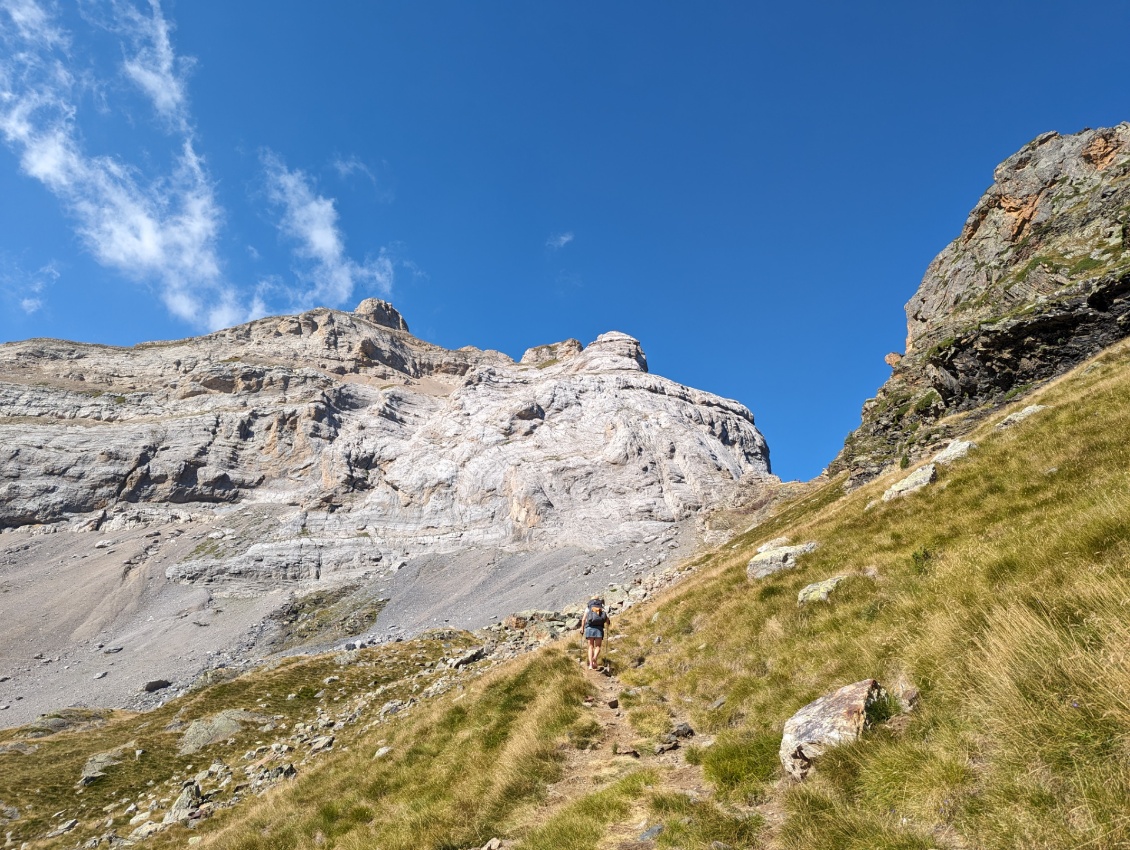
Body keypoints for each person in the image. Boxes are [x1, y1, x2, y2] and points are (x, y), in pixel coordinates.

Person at [582, 596, 610, 670]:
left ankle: (591, 664)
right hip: (599, 629)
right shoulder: (602, 608)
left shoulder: (588, 608)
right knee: (598, 646)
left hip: (589, 628)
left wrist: (582, 629)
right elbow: (607, 620)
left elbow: (584, 619)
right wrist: (608, 624)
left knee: (590, 646)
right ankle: (594, 658)